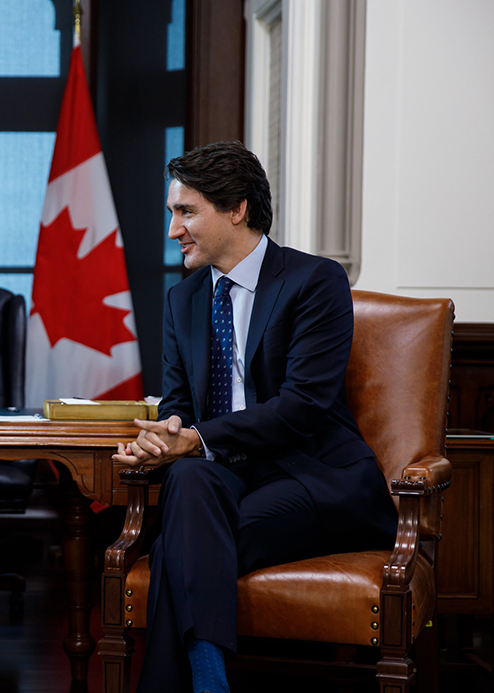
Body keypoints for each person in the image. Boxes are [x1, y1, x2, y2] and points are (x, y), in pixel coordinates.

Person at [113, 141, 397, 693]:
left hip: (312, 475)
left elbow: (302, 408)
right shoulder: (182, 300)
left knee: (177, 547)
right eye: (174, 213)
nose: (174, 230)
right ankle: (209, 683)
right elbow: (179, 408)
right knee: (190, 479)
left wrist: (193, 439)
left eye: (186, 211)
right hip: (224, 477)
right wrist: (163, 438)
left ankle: (203, 681)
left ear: (237, 208)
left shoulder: (314, 281)